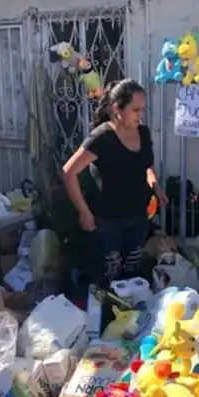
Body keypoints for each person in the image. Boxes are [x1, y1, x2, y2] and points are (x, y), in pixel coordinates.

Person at [62, 79, 168, 282]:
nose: (141, 114)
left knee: (132, 272)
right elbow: (68, 172)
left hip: (138, 216)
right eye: (135, 109)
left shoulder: (143, 133)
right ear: (117, 109)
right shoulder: (102, 138)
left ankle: (131, 311)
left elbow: (147, 165)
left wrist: (155, 185)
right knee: (109, 275)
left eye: (143, 109)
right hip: (107, 221)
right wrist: (84, 212)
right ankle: (103, 311)